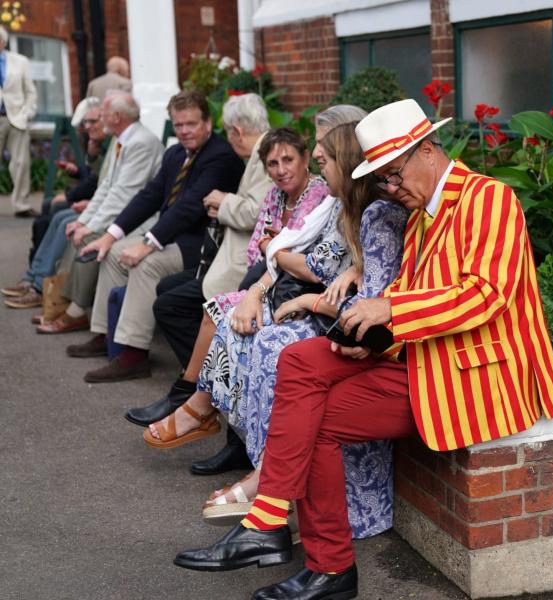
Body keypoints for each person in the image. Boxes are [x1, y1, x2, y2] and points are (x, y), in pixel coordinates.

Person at [173, 99, 553, 600]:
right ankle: (277, 522)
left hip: (468, 375)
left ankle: (322, 562)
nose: (389, 188)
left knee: (313, 415)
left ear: (428, 151)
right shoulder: (423, 211)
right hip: (424, 358)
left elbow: (484, 296)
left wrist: (390, 313)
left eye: (393, 174)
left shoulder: (488, 199)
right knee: (298, 360)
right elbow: (415, 295)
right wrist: (374, 333)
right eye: (380, 179)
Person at [148, 123, 407, 538]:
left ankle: (267, 478)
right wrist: (271, 279)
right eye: (274, 163)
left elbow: (366, 303)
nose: (320, 174)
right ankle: (255, 462)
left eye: (322, 162)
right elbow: (306, 264)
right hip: (327, 312)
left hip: (354, 330)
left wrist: (303, 292)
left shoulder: (374, 213)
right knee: (242, 330)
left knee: (271, 345)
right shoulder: (345, 209)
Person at [125, 105, 368, 481]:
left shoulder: (330, 197)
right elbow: (264, 248)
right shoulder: (309, 199)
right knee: (217, 312)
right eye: (272, 163)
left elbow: (308, 261)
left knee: (242, 329)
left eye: (319, 150)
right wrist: (262, 280)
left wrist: (280, 259)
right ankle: (212, 418)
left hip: (316, 302)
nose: (284, 168)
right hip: (281, 284)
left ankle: (224, 430)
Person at [73, 90, 244, 382]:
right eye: (178, 125)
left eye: (191, 124)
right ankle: (107, 335)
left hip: (202, 243)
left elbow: (190, 207)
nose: (184, 131)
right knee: (113, 253)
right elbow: (149, 196)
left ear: (207, 122)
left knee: (146, 263)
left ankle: (134, 353)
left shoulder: (221, 156)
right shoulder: (175, 154)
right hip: (173, 236)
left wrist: (148, 244)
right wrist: (111, 235)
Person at [36, 92, 163, 335]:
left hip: (142, 219)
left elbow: (123, 195)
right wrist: (84, 221)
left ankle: (77, 311)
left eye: (103, 112)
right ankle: (64, 302)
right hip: (126, 213)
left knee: (88, 240)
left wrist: (90, 227)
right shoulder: (123, 138)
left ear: (117, 116)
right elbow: (107, 187)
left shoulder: (140, 142)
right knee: (76, 230)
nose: (98, 118)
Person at [1, 98, 107, 310]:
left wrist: (78, 200)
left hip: (107, 210)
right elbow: (97, 178)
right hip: (99, 202)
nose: (88, 127)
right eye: (86, 123)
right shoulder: (102, 144)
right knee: (53, 212)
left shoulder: (119, 144)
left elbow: (105, 185)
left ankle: (39, 286)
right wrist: (82, 166)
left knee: (61, 217)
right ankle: (33, 278)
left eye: (93, 121)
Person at [0, 25, 38, 218]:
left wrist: (28, 113)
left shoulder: (20, 61)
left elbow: (30, 91)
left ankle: (22, 205)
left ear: (3, 42)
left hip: (16, 117)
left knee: (21, 163)